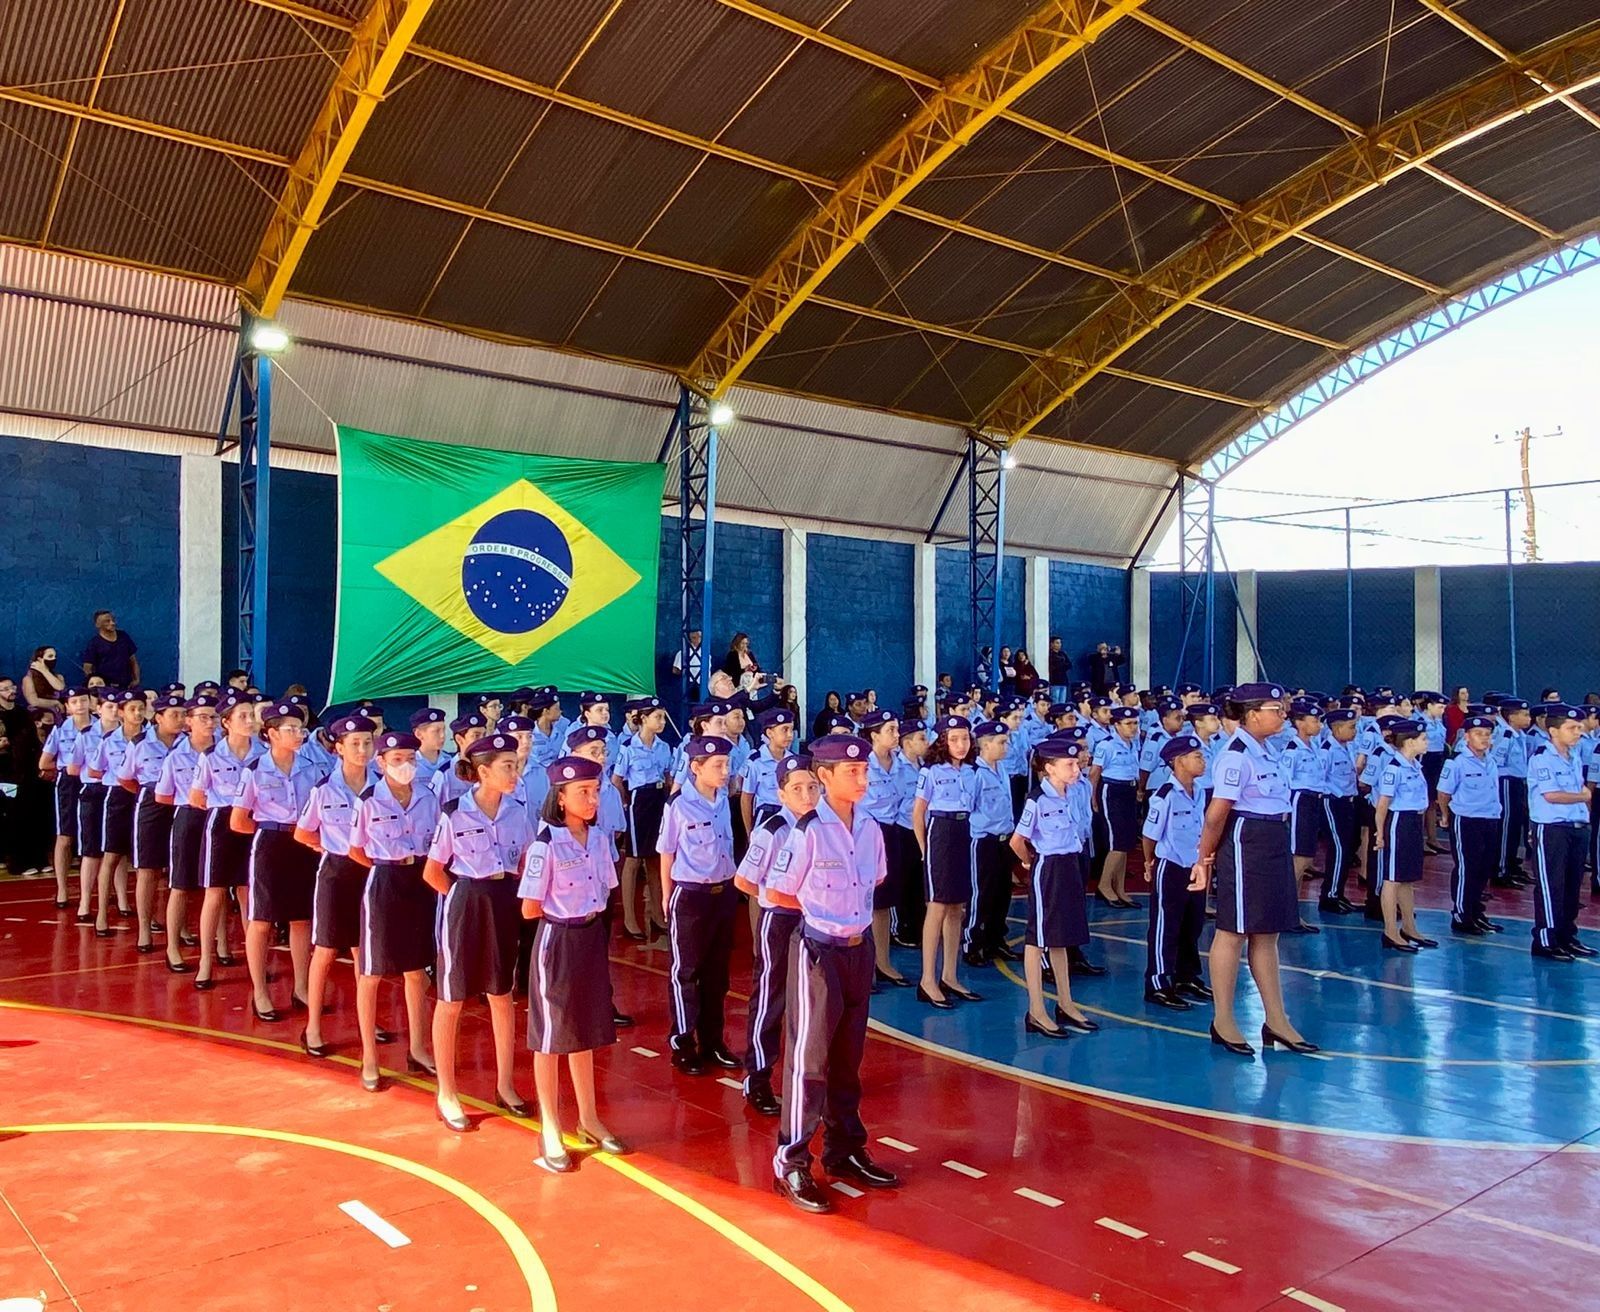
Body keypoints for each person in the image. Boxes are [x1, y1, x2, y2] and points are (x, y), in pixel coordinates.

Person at [766, 734, 900, 1214]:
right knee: (810, 1060)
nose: (863, 779)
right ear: (823, 777)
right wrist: (819, 914)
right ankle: (792, 1159)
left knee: (848, 1058)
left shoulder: (870, 828)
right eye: (852, 773)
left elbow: (876, 880)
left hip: (858, 949)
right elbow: (778, 892)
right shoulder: (807, 831)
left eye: (865, 771)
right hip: (818, 951)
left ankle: (844, 1150)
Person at [1193, 683, 1316, 1057]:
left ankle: (1276, 1019)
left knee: (1268, 932)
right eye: (1273, 709)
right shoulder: (1235, 755)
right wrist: (1203, 859)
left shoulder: (1268, 751)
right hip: (1248, 839)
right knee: (1233, 930)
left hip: (1275, 834)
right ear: (1250, 714)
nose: (1281, 714)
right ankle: (1224, 1019)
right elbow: (1216, 815)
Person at [519, 754, 626, 1172]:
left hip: (589, 935)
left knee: (586, 1030)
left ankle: (589, 1118)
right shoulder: (546, 845)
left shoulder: (599, 840)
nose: (592, 797)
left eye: (595, 790)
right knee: (551, 1037)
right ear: (561, 798)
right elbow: (529, 908)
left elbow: (606, 889)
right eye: (582, 792)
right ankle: (550, 1125)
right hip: (557, 939)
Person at [424, 733, 531, 1123]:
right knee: (451, 999)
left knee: (501, 994)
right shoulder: (454, 813)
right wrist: (460, 899)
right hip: (465, 901)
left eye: (516, 765)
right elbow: (433, 871)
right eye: (506, 766)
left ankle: (505, 1084)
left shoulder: (519, 811)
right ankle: (447, 1093)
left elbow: (526, 864)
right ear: (483, 772)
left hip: (505, 901)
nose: (514, 772)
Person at [735, 753, 817, 1116]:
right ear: (782, 794)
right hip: (781, 921)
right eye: (797, 789)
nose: (807, 796)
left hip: (816, 923)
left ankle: (808, 1078)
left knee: (813, 1003)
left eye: (812, 787)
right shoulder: (771, 830)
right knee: (771, 999)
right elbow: (744, 880)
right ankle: (758, 1075)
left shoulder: (824, 827)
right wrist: (775, 896)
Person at [292, 713, 376, 1056]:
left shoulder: (381, 786)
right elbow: (302, 831)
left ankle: (366, 1020)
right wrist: (324, 844)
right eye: (354, 743)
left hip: (370, 871)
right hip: (337, 872)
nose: (362, 749)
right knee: (325, 949)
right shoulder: (325, 789)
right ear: (338, 748)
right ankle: (312, 1026)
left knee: (364, 952)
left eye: (368, 742)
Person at [231, 702, 321, 1019]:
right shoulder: (255, 770)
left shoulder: (311, 768)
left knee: (301, 919)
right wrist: (271, 828)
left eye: (300, 728)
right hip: (269, 844)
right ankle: (260, 991)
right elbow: (238, 820)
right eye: (290, 729)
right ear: (271, 734)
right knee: (262, 920)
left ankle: (302, 987)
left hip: (303, 843)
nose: (298, 734)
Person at [657, 735, 740, 1076]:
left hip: (723, 892)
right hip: (691, 894)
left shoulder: (722, 801)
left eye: (726, 764)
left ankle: (712, 1040)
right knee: (686, 972)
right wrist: (666, 894)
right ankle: (683, 1042)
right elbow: (667, 851)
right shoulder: (679, 805)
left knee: (717, 974)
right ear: (696, 768)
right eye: (717, 766)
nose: (725, 771)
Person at [1011, 737, 1098, 1035]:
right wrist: (1029, 862)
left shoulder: (1071, 794)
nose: (1076, 769)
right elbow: (1017, 841)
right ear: (1049, 768)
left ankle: (1066, 1002)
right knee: (1038, 939)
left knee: (1062, 937)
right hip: (1047, 868)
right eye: (1069, 765)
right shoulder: (1037, 799)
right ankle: (1036, 1009)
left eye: (1076, 764)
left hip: (1069, 865)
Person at [189, 694, 260, 990]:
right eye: (241, 716)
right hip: (221, 823)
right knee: (215, 893)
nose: (248, 721)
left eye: (250, 715)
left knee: (248, 894)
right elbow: (196, 797)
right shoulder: (211, 756)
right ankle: (205, 961)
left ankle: (254, 962)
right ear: (227, 723)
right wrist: (226, 807)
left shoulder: (263, 754)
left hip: (253, 823)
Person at [912, 714, 980, 1008]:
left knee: (957, 908)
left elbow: (973, 805)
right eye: (954, 739)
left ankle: (950, 974)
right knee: (937, 906)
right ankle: (927, 979)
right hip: (939, 833)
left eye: (965, 738)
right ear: (942, 741)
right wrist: (925, 849)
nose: (961, 744)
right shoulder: (931, 772)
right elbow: (918, 813)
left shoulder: (972, 772)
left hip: (963, 831)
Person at [1141, 735, 1212, 1011]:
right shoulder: (1164, 796)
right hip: (1170, 865)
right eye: (1197, 757)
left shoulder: (1201, 791)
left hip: (1195, 866)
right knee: (1165, 926)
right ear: (1179, 761)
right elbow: (1149, 836)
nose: (1202, 761)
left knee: (1192, 923)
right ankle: (1158, 981)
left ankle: (1187, 976)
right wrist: (1149, 864)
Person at [156, 692, 218, 973]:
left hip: (216, 818)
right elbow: (162, 795)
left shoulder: (224, 751)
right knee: (180, 884)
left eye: (214, 717)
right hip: (188, 817)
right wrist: (190, 800)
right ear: (189, 722)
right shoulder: (175, 756)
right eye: (203, 717)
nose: (210, 722)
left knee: (216, 886)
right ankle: (172, 948)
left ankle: (220, 947)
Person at [1526, 705, 1594, 962]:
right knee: (1550, 883)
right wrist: (1583, 795)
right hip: (1552, 827)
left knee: (1571, 885)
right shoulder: (1542, 757)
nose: (1578, 732)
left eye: (1579, 727)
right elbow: (1551, 795)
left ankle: (1567, 934)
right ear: (1553, 731)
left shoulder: (1573, 755)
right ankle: (1546, 938)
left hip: (1575, 825)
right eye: (1571, 728)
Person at [119, 692, 184, 953]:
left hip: (179, 802)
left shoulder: (189, 744)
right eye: (174, 715)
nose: (180, 720)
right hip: (150, 801)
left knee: (177, 870)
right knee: (148, 869)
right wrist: (150, 794)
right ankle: (144, 927)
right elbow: (126, 779)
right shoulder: (140, 743)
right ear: (158, 717)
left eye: (182, 715)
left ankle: (178, 926)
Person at [1371, 719, 1437, 952]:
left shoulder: (1414, 766)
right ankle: (1390, 931)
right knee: (1392, 879)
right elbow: (1382, 805)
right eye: (1423, 739)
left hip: (1412, 822)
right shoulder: (1394, 769)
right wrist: (1380, 833)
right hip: (1398, 821)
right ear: (1409, 742)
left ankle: (1409, 927)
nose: (1426, 742)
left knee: (1407, 878)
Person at [1435, 712, 1502, 936]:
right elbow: (1443, 793)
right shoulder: (1457, 762)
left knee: (1485, 867)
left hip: (1490, 818)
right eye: (1478, 734)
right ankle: (1462, 914)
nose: (1484, 738)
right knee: (1467, 867)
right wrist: (1445, 816)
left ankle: (1476, 911)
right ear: (1466, 737)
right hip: (1466, 820)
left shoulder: (1490, 760)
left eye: (1487, 734)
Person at [857, 710, 912, 985]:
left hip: (891, 832)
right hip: (865, 833)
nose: (896, 734)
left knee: (884, 901)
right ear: (874, 734)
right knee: (864, 900)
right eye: (890, 729)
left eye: (896, 728)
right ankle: (864, 966)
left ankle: (883, 962)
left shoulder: (900, 764)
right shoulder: (862, 765)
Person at [612, 696, 672, 941]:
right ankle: (629, 919)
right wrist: (625, 804)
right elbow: (617, 780)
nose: (662, 721)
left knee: (656, 861)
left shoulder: (664, 747)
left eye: (663, 717)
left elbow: (668, 777)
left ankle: (658, 915)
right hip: (639, 802)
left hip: (658, 800)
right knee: (634, 860)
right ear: (644, 718)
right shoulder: (628, 747)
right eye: (657, 717)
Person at [88, 690, 146, 935]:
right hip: (118, 797)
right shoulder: (109, 740)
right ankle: (101, 914)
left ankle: (148, 917)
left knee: (147, 863)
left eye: (141, 708)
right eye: (132, 709)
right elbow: (94, 771)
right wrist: (118, 778)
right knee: (111, 855)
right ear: (121, 712)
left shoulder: (152, 738)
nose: (138, 713)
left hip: (144, 797)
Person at [964, 719, 1015, 967]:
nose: (1006, 746)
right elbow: (967, 808)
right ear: (985, 745)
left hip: (1004, 840)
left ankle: (996, 939)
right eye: (1002, 742)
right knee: (980, 894)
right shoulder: (975, 773)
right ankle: (972, 942)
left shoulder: (1001, 769)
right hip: (983, 840)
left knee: (1002, 893)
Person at [39, 686, 93, 908]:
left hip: (93, 782)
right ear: (68, 707)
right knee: (65, 835)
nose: (80, 705)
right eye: (74, 702)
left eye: (83, 700)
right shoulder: (61, 729)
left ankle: (94, 890)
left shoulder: (101, 727)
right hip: (68, 783)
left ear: (90, 702)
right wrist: (66, 768)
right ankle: (62, 889)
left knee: (94, 838)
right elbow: (44, 763)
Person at [1089, 706, 1141, 909]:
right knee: (1117, 841)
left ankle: (1120, 888)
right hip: (1112, 792)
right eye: (1128, 724)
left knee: (1126, 842)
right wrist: (1093, 798)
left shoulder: (1132, 743)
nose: (1133, 728)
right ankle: (1104, 886)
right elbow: (1094, 774)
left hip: (1128, 791)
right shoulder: (1107, 745)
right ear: (1116, 725)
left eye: (1136, 723)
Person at [1316, 709, 1361, 914]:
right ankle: (1330, 896)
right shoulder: (1327, 751)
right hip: (1332, 802)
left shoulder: (1347, 748)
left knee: (1348, 848)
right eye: (1351, 727)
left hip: (1348, 801)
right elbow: (1321, 779)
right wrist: (1336, 793)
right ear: (1337, 728)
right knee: (1339, 847)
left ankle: (1339, 892)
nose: (1355, 731)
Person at [1493, 697, 1533, 886]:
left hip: (1518, 782)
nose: (1528, 718)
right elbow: (1497, 763)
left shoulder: (1519, 735)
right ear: (1511, 717)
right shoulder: (1505, 736)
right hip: (1507, 783)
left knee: (1516, 826)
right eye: (1524, 715)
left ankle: (1510, 864)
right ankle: (1500, 869)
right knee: (1507, 826)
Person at [79, 609, 139, 686]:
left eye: (113, 620)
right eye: (107, 621)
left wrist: (136, 679)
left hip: (126, 685)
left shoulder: (123, 636)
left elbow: (133, 660)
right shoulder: (94, 643)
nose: (112, 623)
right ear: (98, 624)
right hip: (106, 687)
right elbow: (87, 668)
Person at [22, 646, 65, 713]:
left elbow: (59, 687)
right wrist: (55, 703)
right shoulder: (28, 679)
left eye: (55, 656)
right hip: (40, 716)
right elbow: (34, 702)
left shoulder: (58, 677)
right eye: (50, 656)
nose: (54, 658)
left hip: (58, 713)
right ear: (39, 659)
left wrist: (44, 671)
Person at [1047, 637, 1071, 705]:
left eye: (1060, 643)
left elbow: (1069, 664)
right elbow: (1054, 666)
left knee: (1062, 701)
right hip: (1054, 681)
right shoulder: (1050, 654)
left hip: (1063, 681)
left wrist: (1061, 665)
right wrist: (1060, 664)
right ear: (1051, 644)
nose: (1059, 644)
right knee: (1055, 701)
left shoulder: (1062, 654)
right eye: (1057, 643)